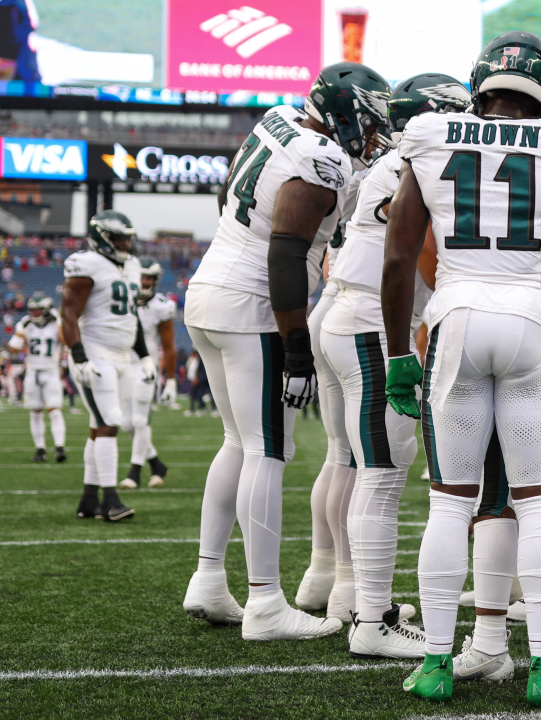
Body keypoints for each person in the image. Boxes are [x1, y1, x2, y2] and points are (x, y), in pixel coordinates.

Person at [381, 31, 541, 705]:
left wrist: (399, 354)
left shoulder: (430, 134)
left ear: (478, 88)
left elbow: (398, 258)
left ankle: (435, 664)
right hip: (532, 322)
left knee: (451, 503)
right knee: (539, 503)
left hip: (456, 318)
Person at [180, 62, 387, 642]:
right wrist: (296, 347)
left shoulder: (277, 121)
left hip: (210, 289)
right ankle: (266, 602)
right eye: (367, 122)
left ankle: (209, 579)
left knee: (237, 442)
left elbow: (240, 201)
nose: (371, 135)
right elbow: (284, 255)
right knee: (269, 450)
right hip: (254, 306)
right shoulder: (319, 160)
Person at [319, 72, 470, 656]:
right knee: (381, 475)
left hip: (354, 319)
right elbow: (416, 256)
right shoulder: (418, 162)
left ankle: (360, 602)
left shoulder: (394, 160)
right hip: (372, 326)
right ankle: (372, 623)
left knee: (365, 468)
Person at [293, 66, 398, 627]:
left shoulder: (365, 164)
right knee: (368, 465)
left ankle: (323, 575)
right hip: (362, 315)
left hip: (332, 307)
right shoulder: (399, 164)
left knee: (343, 457)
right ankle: (351, 590)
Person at [61, 210, 150, 523]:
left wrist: (146, 355)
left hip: (124, 354)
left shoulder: (133, 266)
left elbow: (132, 317)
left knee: (99, 426)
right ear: (102, 237)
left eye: (127, 236)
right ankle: (110, 500)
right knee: (110, 421)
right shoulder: (86, 264)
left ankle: (88, 498)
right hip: (96, 352)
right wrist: (79, 354)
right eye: (118, 237)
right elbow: (68, 314)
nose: (125, 243)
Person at [119, 257, 178, 489]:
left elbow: (169, 346)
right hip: (123, 365)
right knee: (126, 424)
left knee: (139, 420)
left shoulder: (161, 306)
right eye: (141, 276)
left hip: (146, 366)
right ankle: (156, 464)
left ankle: (134, 473)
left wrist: (171, 380)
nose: (144, 281)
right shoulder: (122, 300)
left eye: (148, 277)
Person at [8, 291, 67, 463]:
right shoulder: (26, 324)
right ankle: (40, 449)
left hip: (51, 370)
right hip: (33, 371)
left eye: (38, 310)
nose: (34, 314)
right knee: (35, 412)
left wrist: (61, 323)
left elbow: (66, 341)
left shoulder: (56, 324)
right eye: (32, 310)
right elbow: (14, 349)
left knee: (54, 410)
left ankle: (59, 447)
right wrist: (20, 332)